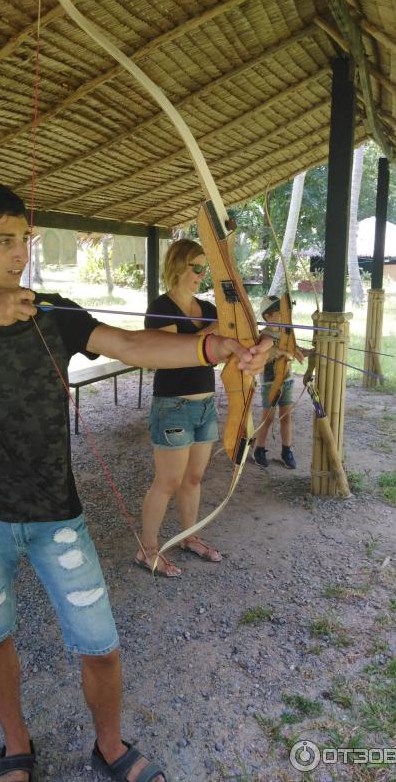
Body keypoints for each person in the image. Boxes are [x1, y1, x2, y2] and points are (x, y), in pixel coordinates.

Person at [0, 182, 272, 782]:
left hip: (56, 512)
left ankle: (109, 747)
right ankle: (17, 747)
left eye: (23, 238)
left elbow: (131, 344)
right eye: (4, 241)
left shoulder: (49, 308)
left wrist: (216, 347)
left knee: (100, 645)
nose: (20, 253)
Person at [135, 239, 222, 579]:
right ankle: (147, 549)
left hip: (205, 405)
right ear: (177, 265)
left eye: (204, 268)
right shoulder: (161, 308)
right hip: (173, 405)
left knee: (195, 477)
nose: (201, 274)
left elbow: (226, 345)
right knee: (168, 481)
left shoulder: (209, 309)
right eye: (195, 267)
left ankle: (189, 537)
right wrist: (213, 334)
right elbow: (173, 350)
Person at [252, 295, 305, 470]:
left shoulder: (285, 333)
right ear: (267, 316)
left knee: (286, 417)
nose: (284, 315)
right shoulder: (265, 336)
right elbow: (261, 351)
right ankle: (259, 449)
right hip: (270, 384)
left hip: (287, 381)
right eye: (279, 312)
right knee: (268, 418)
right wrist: (281, 352)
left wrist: (307, 351)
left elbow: (294, 350)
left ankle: (286, 450)